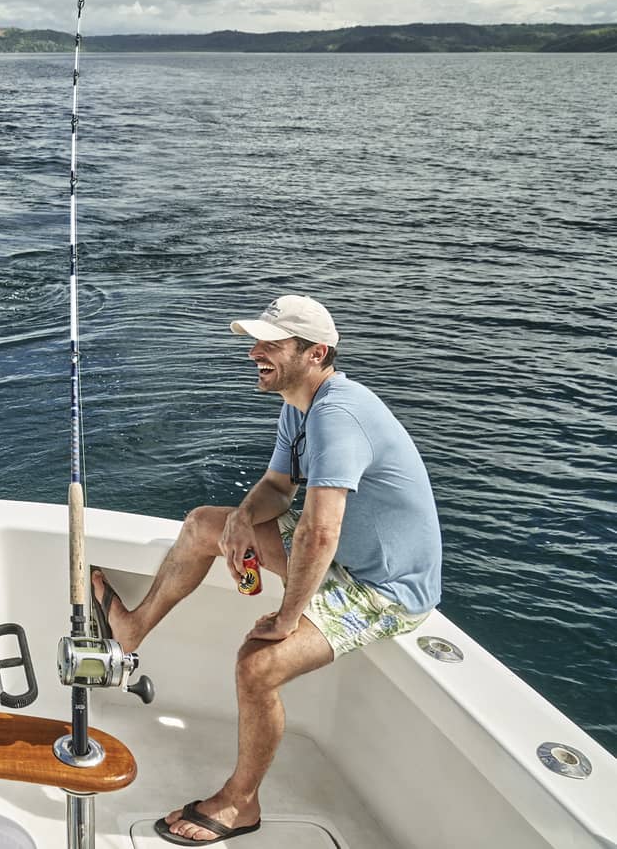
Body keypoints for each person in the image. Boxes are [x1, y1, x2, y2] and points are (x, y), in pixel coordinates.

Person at [97, 295, 441, 846]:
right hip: (339, 558)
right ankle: (133, 628)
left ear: (315, 353)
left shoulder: (338, 415)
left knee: (258, 665)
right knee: (203, 523)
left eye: (271, 345)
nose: (255, 352)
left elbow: (319, 531)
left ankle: (241, 803)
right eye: (256, 342)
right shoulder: (299, 405)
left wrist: (288, 616)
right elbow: (279, 488)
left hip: (383, 589)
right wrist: (239, 518)